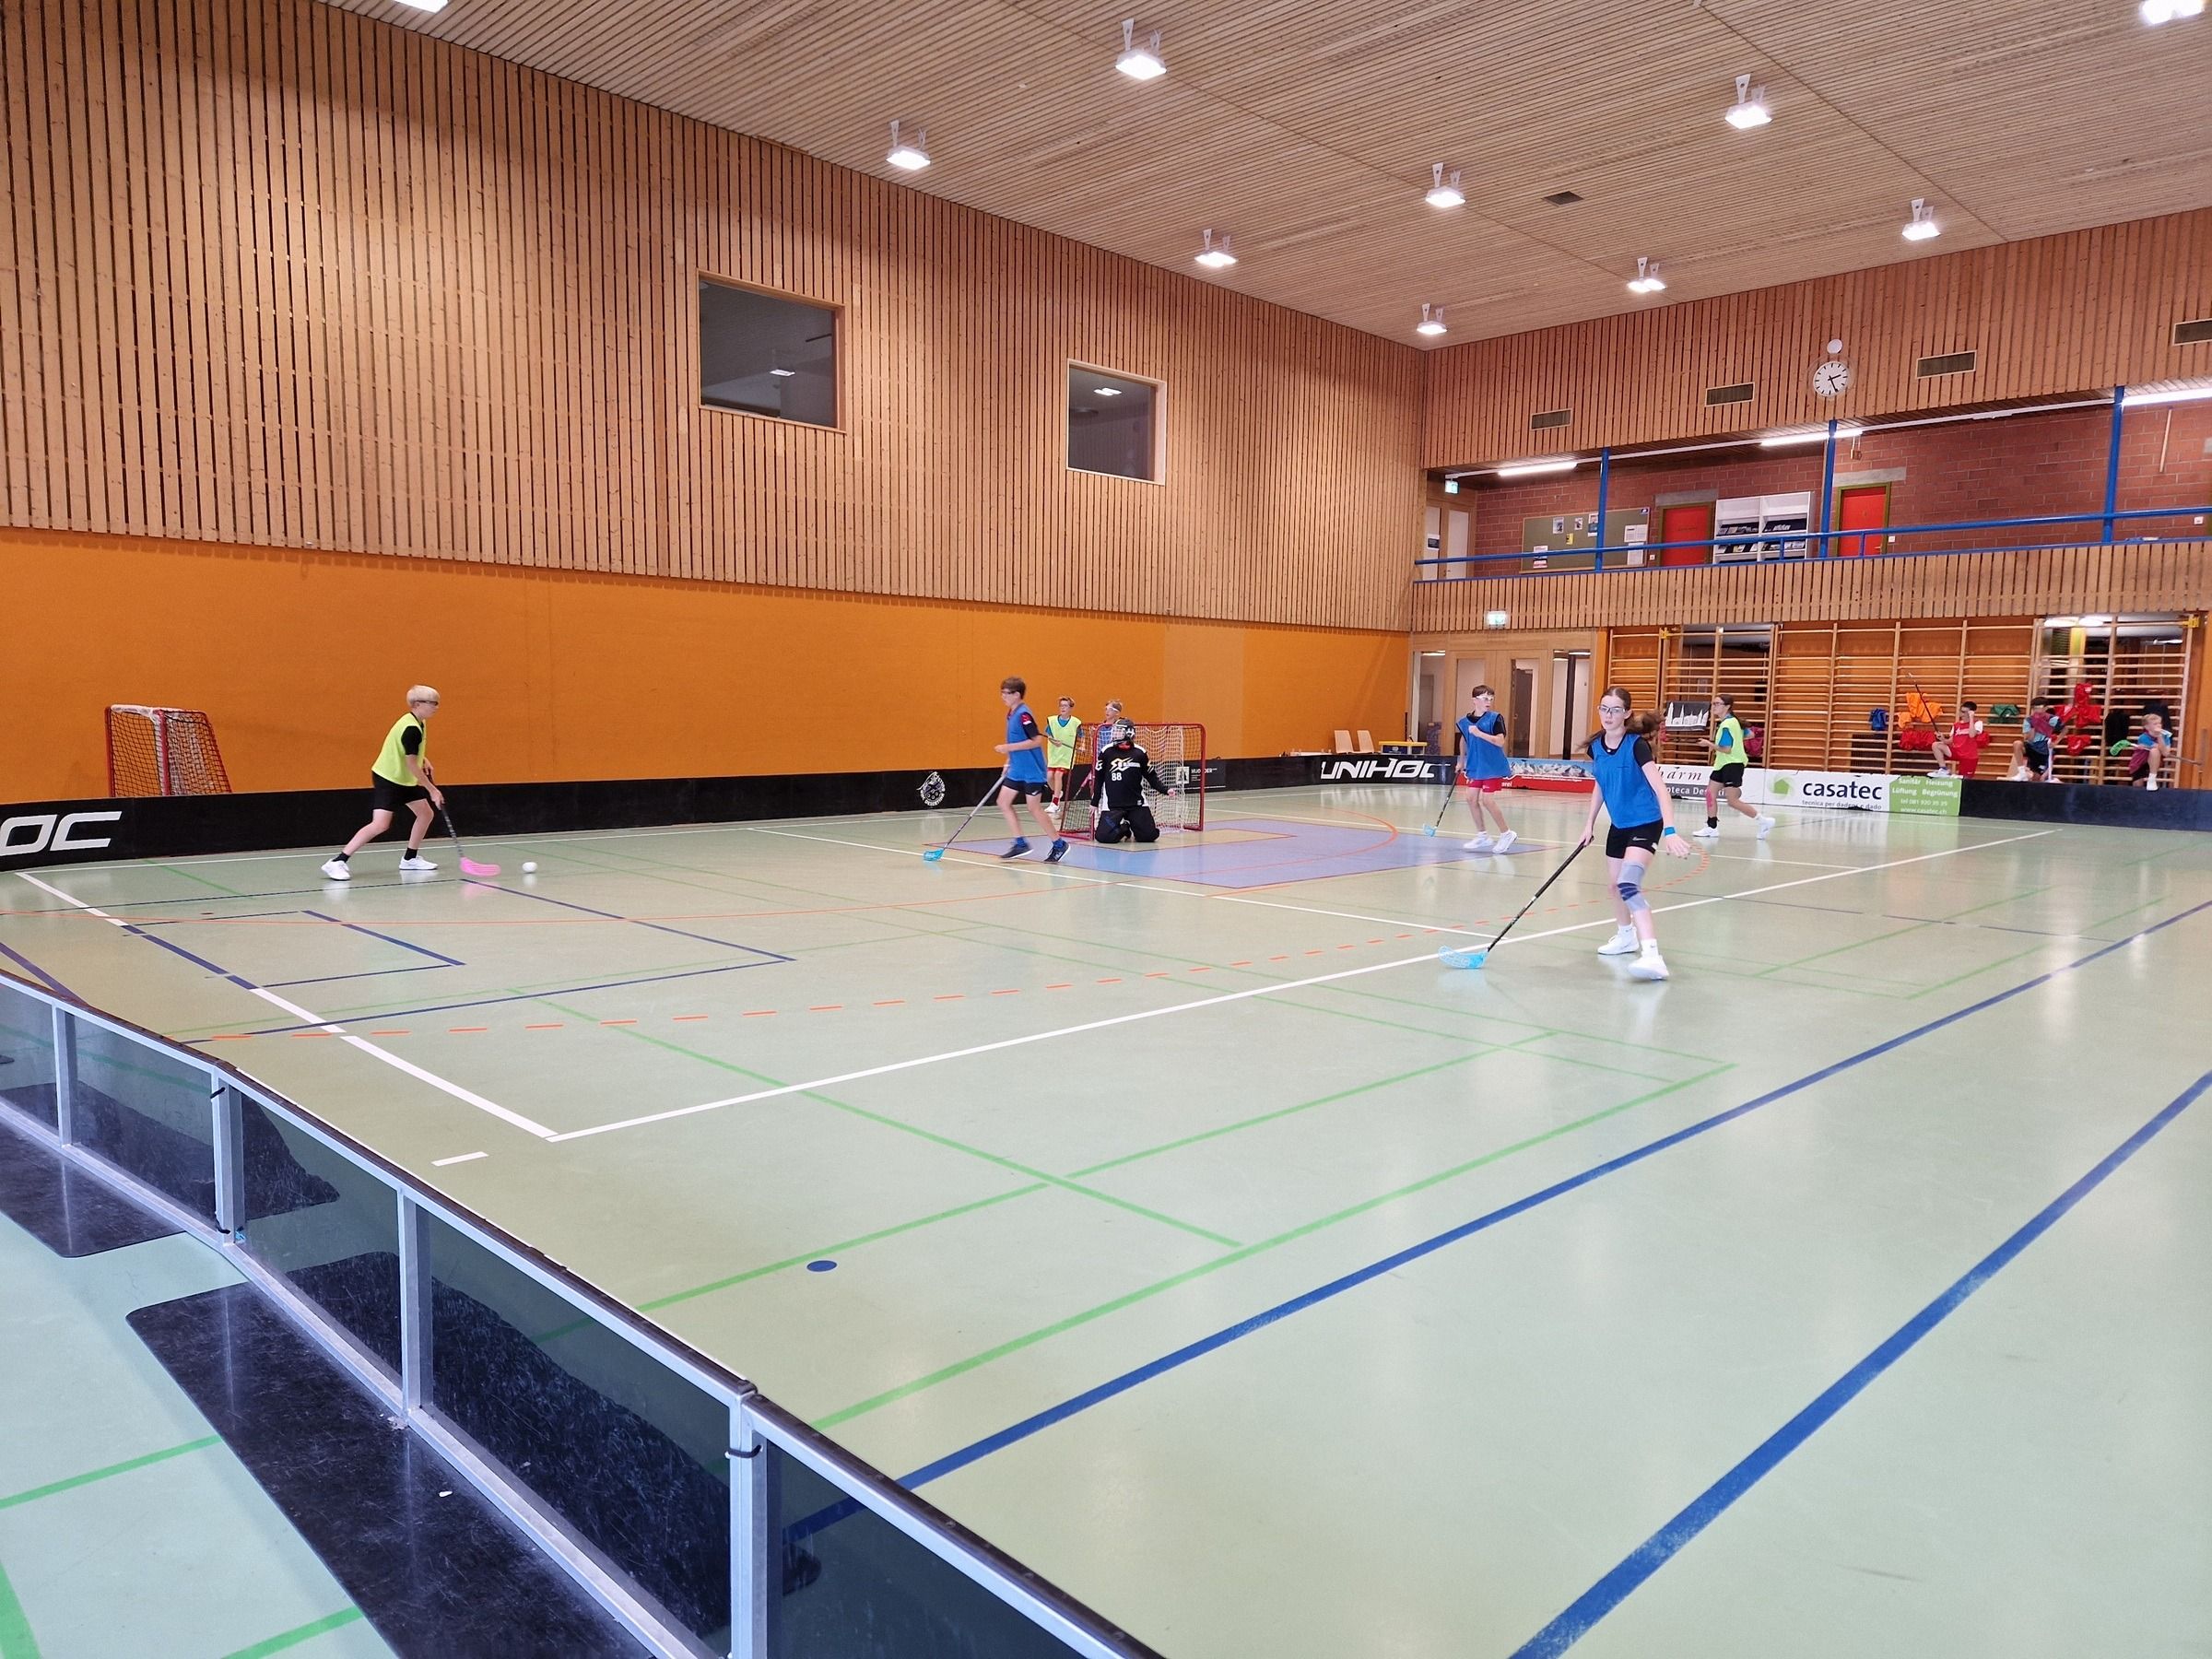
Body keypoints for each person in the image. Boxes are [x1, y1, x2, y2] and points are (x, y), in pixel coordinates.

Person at [1580, 687, 1693, 982]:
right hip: (1619, 824)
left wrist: (1671, 831)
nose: (1609, 715)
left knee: (1628, 884)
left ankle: (1653, 956)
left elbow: (1661, 790)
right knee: (1614, 887)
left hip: (1646, 822)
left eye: (1616, 709)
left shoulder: (1636, 746)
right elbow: (1601, 783)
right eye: (1604, 708)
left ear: (1627, 713)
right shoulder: (1596, 747)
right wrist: (1589, 823)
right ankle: (1625, 936)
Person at [322, 686, 444, 880]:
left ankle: (410, 859)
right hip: (389, 779)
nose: (436, 707)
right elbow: (411, 763)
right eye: (433, 703)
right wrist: (432, 790)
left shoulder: (417, 721)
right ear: (417, 704)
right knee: (380, 824)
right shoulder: (411, 728)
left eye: (437, 703)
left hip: (403, 779)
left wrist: (424, 759)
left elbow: (407, 751)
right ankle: (337, 861)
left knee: (425, 814)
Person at [994, 677, 1068, 862]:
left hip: (1032, 770)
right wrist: (1009, 761)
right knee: (1003, 802)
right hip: (1017, 768)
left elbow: (1036, 740)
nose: (1003, 696)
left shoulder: (1024, 715)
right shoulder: (1011, 713)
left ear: (1017, 694)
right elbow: (1015, 738)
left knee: (1033, 808)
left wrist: (1007, 748)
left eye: (1006, 693)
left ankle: (1059, 844)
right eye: (1002, 693)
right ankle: (1020, 843)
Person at [1693, 693, 1772, 840]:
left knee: (1732, 801)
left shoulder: (1727, 725)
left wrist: (1708, 744)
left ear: (1727, 706)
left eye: (1717, 704)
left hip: (1732, 764)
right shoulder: (1734, 721)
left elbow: (1726, 749)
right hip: (1722, 764)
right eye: (1713, 704)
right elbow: (1750, 735)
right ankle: (1711, 827)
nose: (1714, 707)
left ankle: (1764, 821)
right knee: (1710, 793)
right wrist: (1737, 737)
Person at [1088, 721, 1178, 844]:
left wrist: (1165, 790)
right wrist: (1094, 802)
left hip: (1136, 804)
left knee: (1148, 836)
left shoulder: (1140, 752)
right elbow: (1099, 779)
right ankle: (1124, 828)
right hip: (1113, 805)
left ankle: (1135, 824)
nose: (1114, 733)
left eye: (1118, 730)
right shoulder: (1106, 751)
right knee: (1104, 837)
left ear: (1129, 733)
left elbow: (1151, 776)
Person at [1454, 686, 1515, 853]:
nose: (1488, 702)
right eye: (1485, 698)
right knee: (1470, 798)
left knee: (1487, 800)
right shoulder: (1464, 722)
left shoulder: (1495, 718)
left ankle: (1507, 834)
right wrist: (1461, 761)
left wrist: (1479, 733)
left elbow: (1500, 741)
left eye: (1491, 699)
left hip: (1492, 766)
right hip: (1475, 765)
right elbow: (1464, 740)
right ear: (1474, 700)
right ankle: (1482, 836)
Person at [1043, 697, 1082, 819]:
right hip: (1054, 754)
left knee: (1058, 775)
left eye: (1065, 706)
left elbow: (1082, 737)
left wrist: (1081, 746)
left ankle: (1055, 803)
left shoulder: (1076, 722)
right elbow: (1048, 735)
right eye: (1061, 705)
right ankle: (1058, 792)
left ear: (1071, 708)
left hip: (1067, 755)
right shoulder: (1052, 721)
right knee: (1049, 777)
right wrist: (1053, 741)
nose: (1063, 708)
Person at [1929, 701, 1985, 779]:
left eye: (1964, 712)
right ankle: (1943, 769)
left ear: (1971, 713)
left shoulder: (1977, 723)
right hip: (1957, 752)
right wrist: (1942, 738)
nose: (1961, 714)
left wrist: (1971, 718)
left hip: (1969, 756)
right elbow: (1950, 741)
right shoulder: (1956, 725)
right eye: (1961, 711)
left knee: (1965, 779)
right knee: (1936, 745)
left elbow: (1972, 735)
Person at [2009, 698, 2058, 782]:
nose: (2036, 711)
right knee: (2017, 744)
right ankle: (2022, 773)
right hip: (2032, 749)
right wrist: (2033, 725)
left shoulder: (2052, 720)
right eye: (2034, 708)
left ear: (2046, 708)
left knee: (2039, 778)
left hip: (2043, 752)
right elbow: (2029, 739)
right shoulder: (2028, 720)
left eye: (2039, 708)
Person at [2127, 709, 2171, 788]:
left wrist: (2159, 736)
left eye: (2159, 723)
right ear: (2147, 727)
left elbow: (2165, 753)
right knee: (2138, 785)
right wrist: (2160, 739)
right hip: (2140, 762)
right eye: (2155, 724)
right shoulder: (2143, 737)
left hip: (2154, 761)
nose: (2159, 725)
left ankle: (2152, 779)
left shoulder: (2165, 736)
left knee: (2155, 751)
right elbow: (2163, 749)